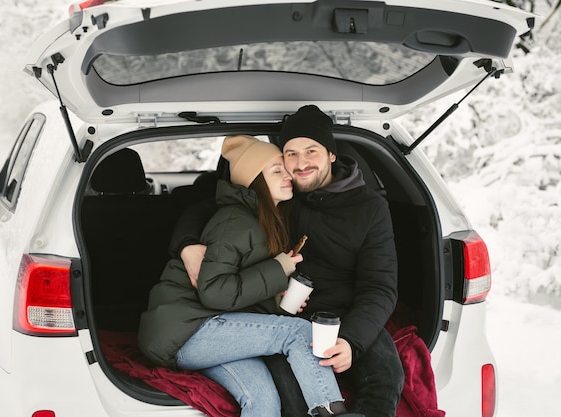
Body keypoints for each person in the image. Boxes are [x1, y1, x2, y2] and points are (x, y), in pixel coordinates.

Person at [173, 106, 405, 417]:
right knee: (291, 399)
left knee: (387, 378)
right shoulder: (278, 194)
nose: (301, 163)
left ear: (331, 154)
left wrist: (351, 341)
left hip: (346, 315)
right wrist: (187, 245)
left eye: (312, 151)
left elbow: (380, 287)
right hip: (281, 318)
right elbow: (208, 208)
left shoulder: (370, 208)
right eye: (290, 154)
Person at [138, 134, 354, 417]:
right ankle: (330, 411)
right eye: (276, 171)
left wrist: (277, 300)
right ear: (255, 181)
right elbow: (214, 291)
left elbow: (237, 293)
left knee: (262, 400)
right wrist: (277, 269)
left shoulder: (266, 221)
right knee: (299, 332)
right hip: (187, 331)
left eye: (285, 169)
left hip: (205, 337)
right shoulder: (236, 222)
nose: (288, 175)